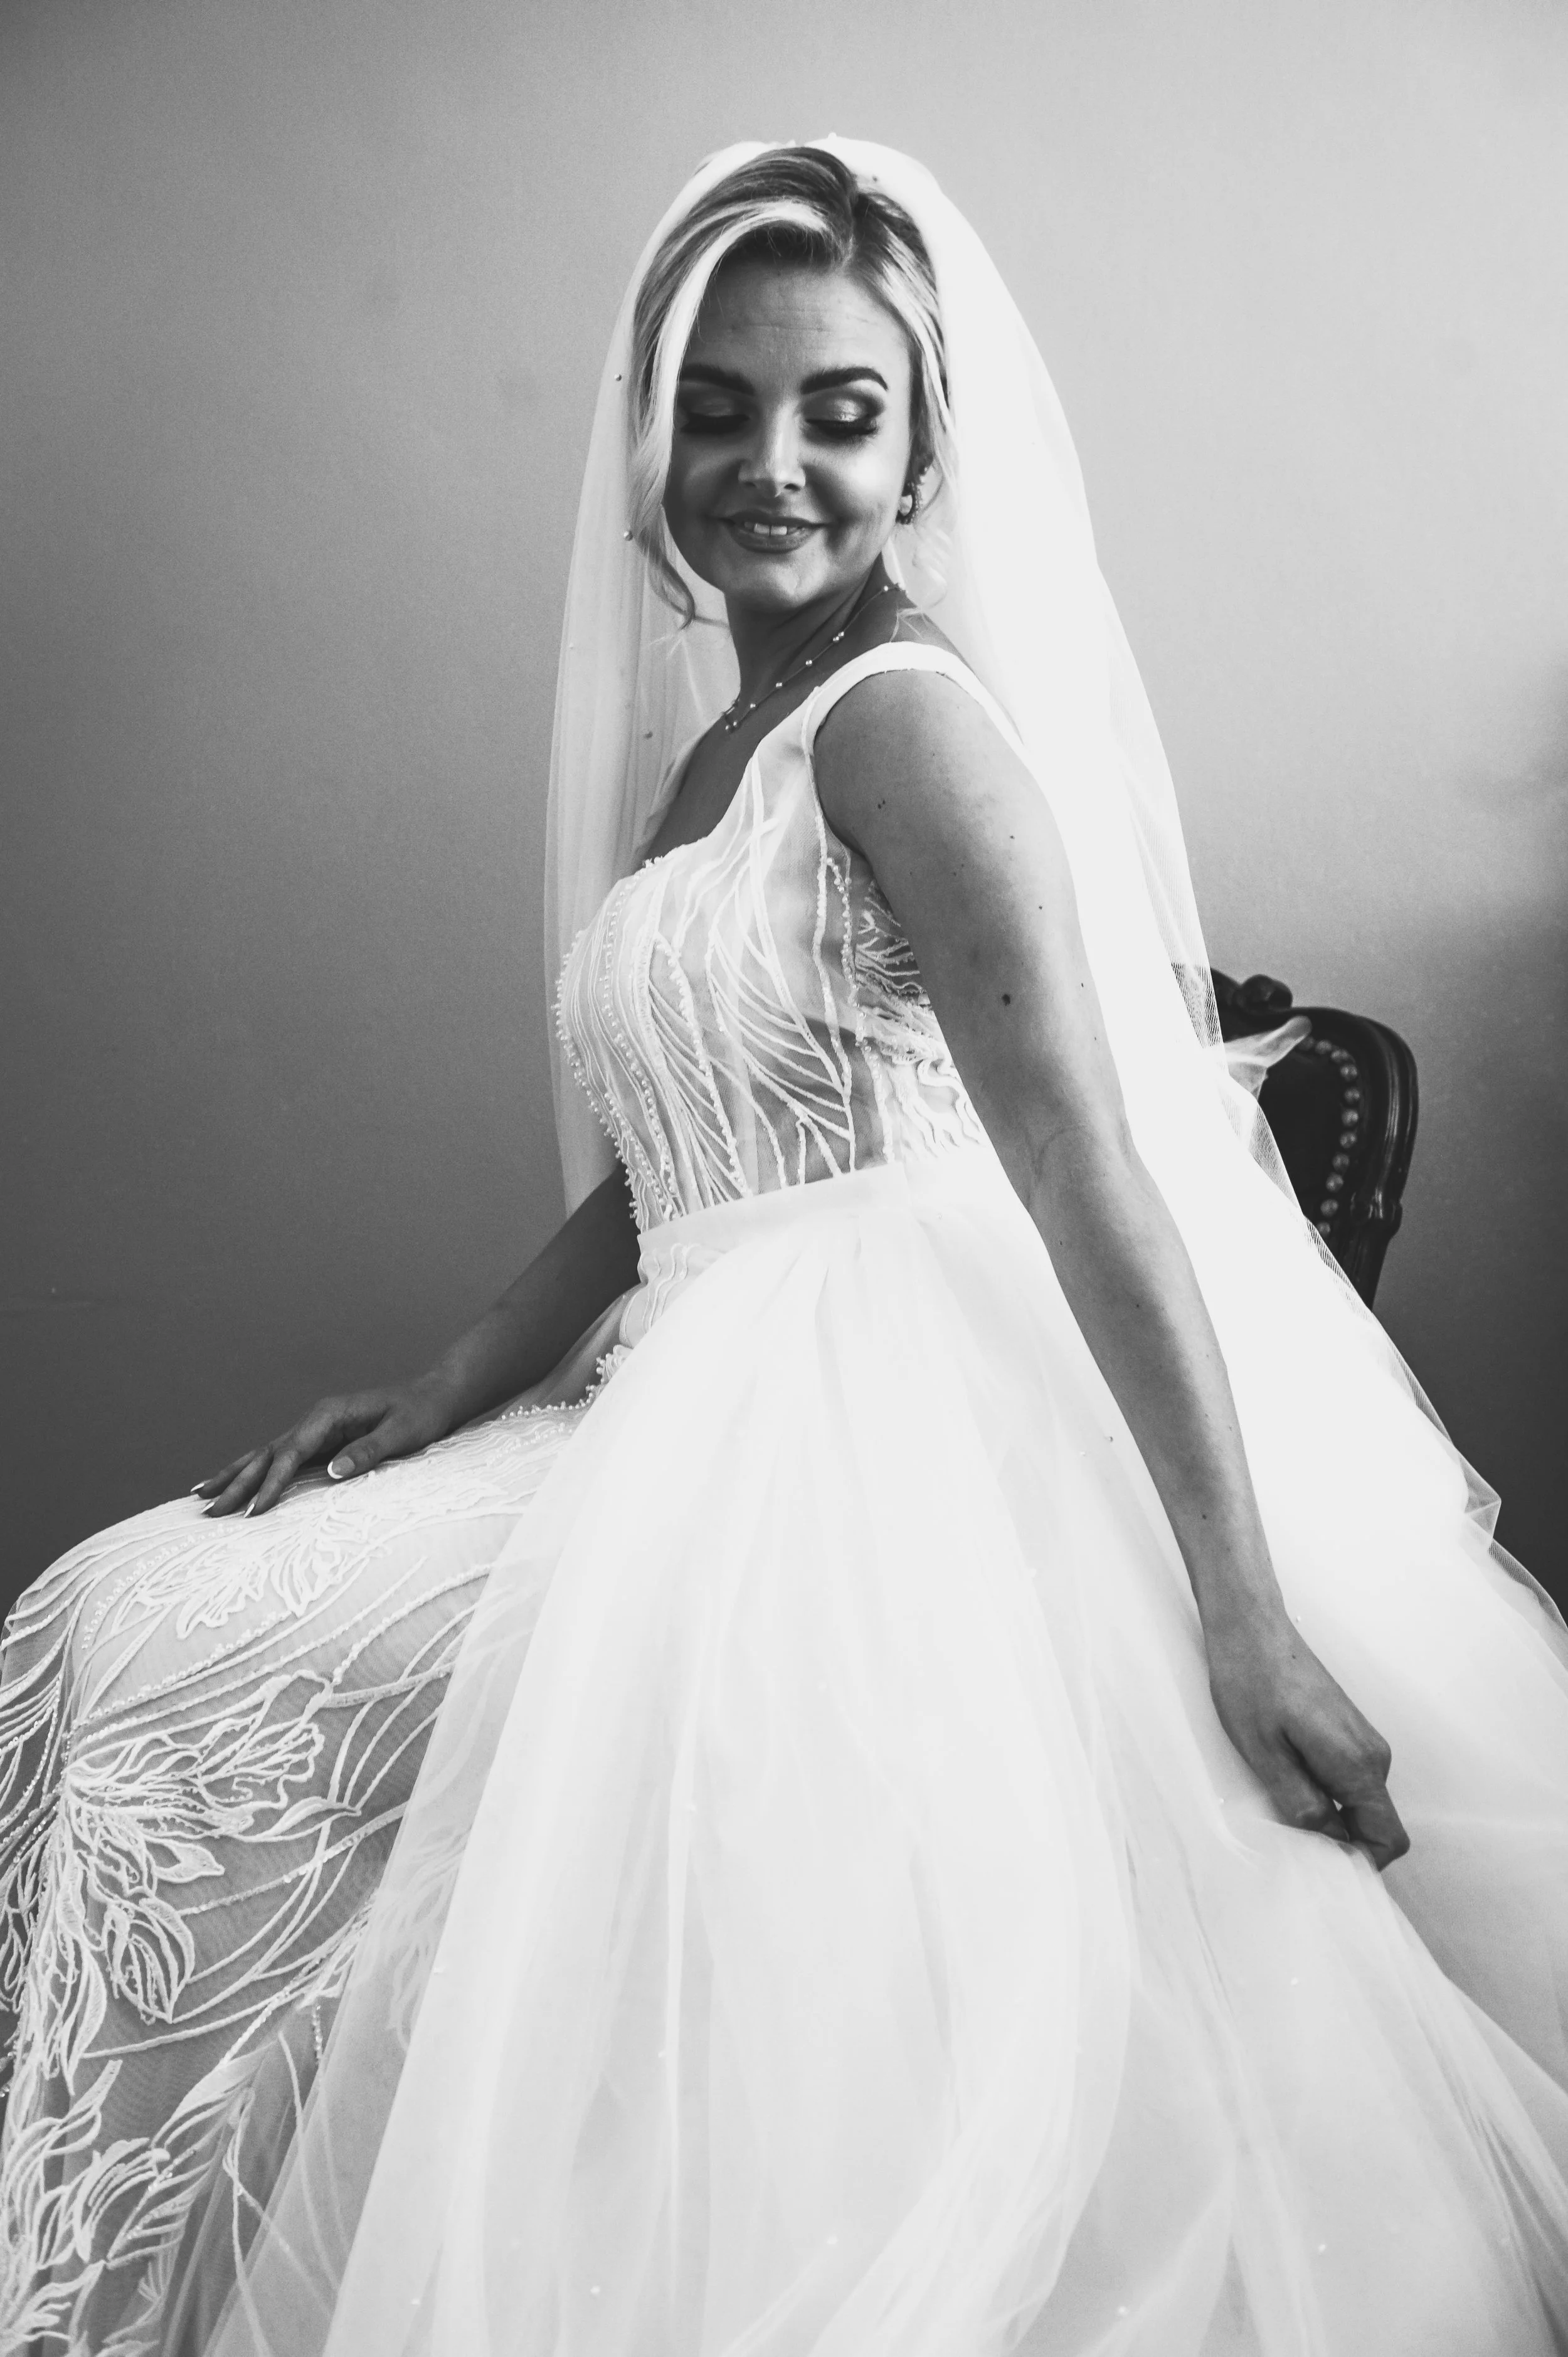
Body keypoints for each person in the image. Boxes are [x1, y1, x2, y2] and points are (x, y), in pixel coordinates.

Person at [1, 137, 1565, 2357]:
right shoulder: (726, 749)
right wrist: (451, 1379)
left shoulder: (906, 730)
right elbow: (678, 1160)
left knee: (220, 1679)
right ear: (650, 440)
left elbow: (1090, 1173)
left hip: (886, 1422)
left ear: (924, 443)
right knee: (132, 1615)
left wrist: (1235, 1602)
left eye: (837, 408)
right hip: (689, 1381)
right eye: (718, 405)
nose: (772, 460)